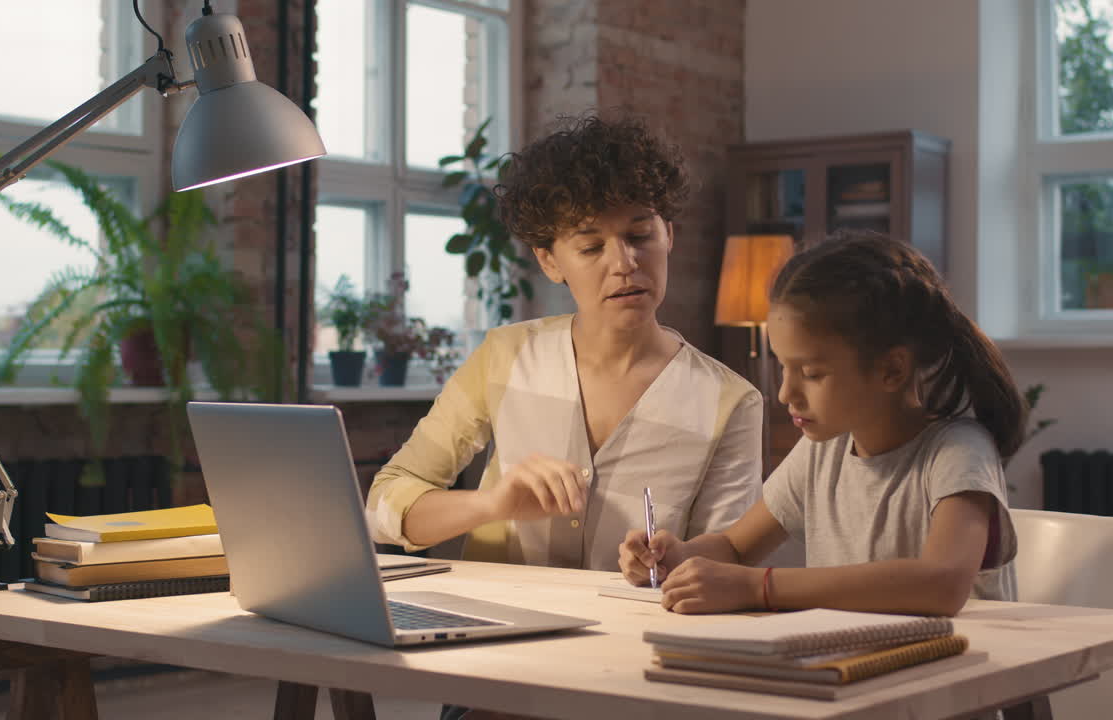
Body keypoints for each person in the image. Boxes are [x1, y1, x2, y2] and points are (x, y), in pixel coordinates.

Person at [365, 113, 763, 573]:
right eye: (591, 247)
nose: (624, 263)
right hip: (497, 630)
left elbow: (727, 565)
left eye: (639, 236)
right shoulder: (505, 357)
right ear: (550, 260)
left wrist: (666, 562)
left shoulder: (730, 403)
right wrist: (492, 504)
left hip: (631, 637)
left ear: (668, 235)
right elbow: (384, 505)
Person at [619, 231, 1023, 615]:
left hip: (967, 681)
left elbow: (943, 584)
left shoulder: (958, 452)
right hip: (860, 675)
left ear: (892, 370)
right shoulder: (822, 450)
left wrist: (757, 588)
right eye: (783, 367)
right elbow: (735, 547)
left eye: (811, 373)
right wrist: (678, 558)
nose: (784, 393)